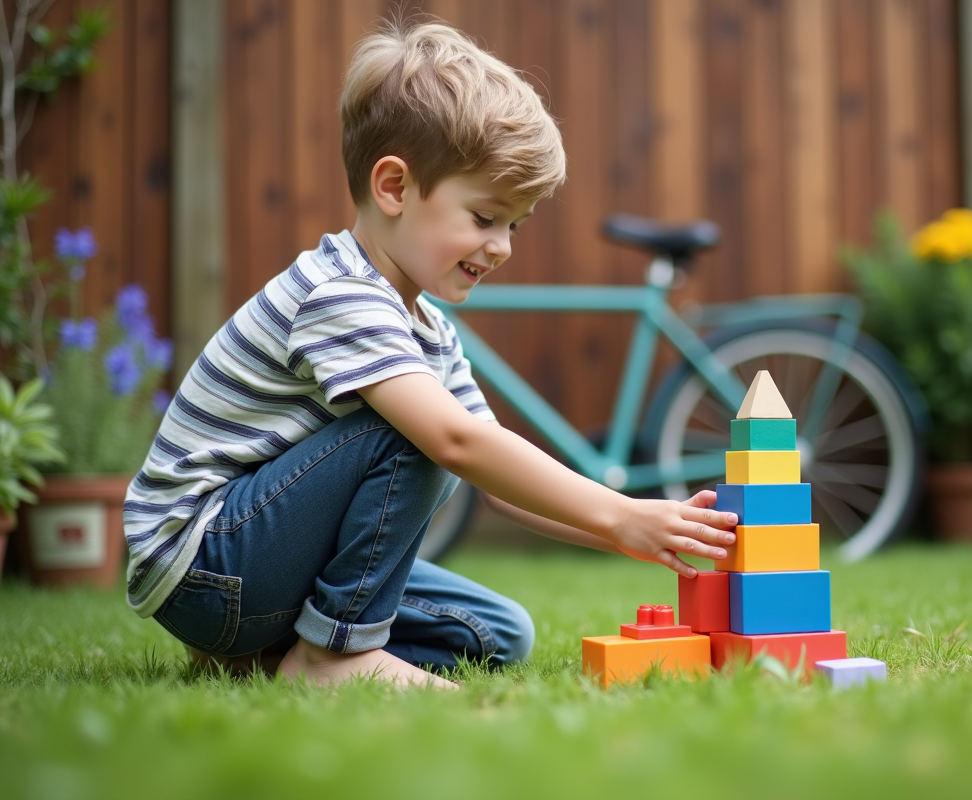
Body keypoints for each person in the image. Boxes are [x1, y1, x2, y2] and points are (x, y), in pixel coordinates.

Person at [123, 20, 738, 689]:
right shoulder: (340, 295)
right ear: (394, 187)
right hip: (204, 566)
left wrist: (626, 532)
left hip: (255, 570)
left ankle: (256, 658)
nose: (501, 245)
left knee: (497, 634)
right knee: (417, 432)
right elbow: (455, 442)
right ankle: (334, 656)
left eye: (514, 224)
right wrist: (621, 511)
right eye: (484, 217)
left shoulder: (427, 327)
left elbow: (493, 481)